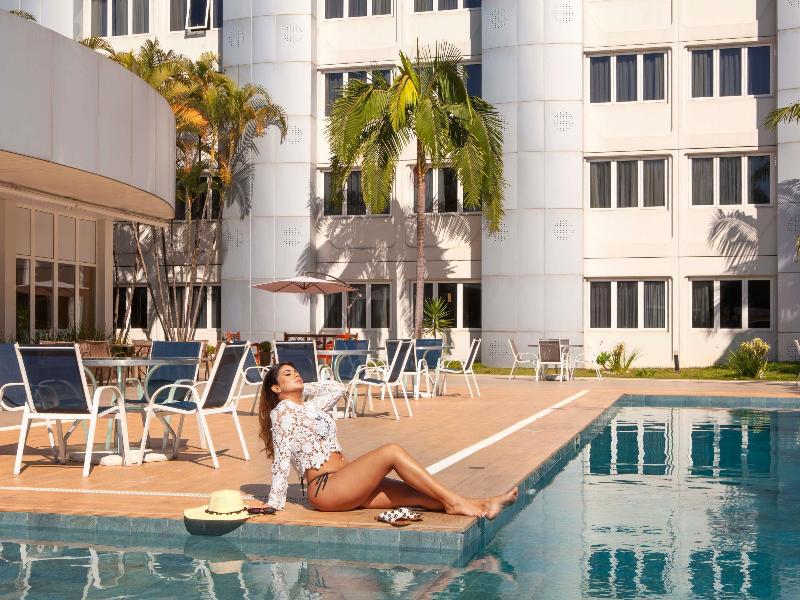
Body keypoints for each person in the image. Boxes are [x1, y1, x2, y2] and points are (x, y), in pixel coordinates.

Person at [254, 362, 518, 517]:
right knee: (391, 451)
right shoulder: (282, 413)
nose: (296, 374)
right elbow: (281, 458)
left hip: (347, 482)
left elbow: (337, 388)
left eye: (295, 371)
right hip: (327, 488)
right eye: (287, 374)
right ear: (275, 388)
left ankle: (484, 503)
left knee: (417, 494)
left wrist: (302, 388)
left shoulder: (311, 407)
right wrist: (274, 502)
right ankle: (455, 503)